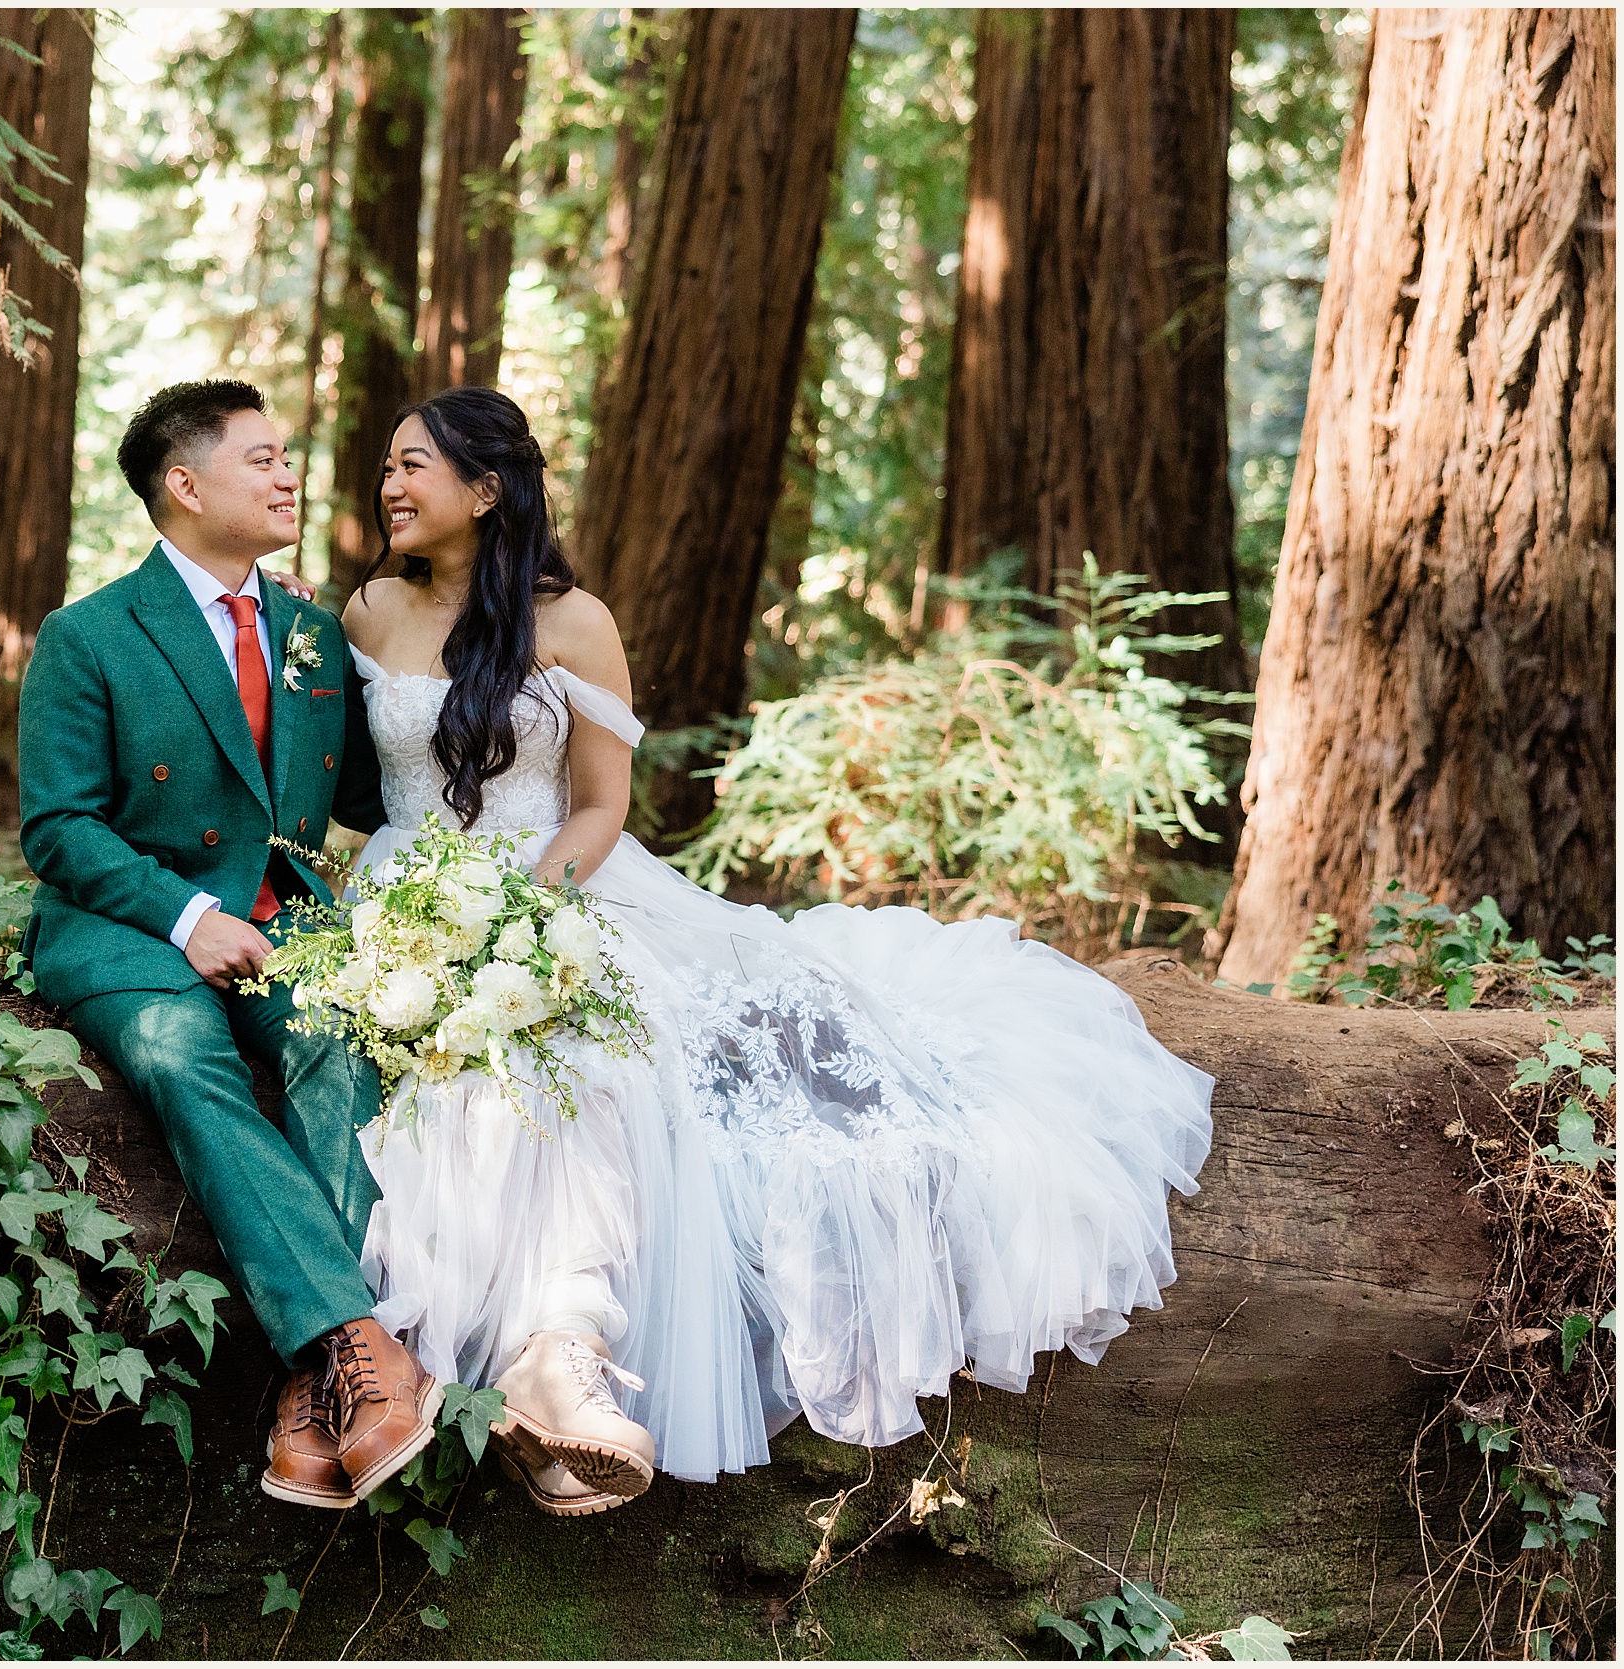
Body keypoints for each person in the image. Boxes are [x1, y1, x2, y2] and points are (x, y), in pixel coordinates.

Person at [329, 386, 1218, 1512]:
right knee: (461, 1092)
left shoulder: (574, 624)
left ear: (487, 489)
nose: (390, 486)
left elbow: (600, 806)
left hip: (551, 888)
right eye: (388, 467)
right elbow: (353, 796)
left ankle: (563, 1353)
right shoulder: (363, 612)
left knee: (592, 1063)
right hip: (403, 905)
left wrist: (522, 917)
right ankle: (546, 1374)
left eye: (414, 465)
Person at [16, 379, 440, 1512]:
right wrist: (187, 918)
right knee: (180, 1055)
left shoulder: (307, 629)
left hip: (286, 919)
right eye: (261, 458)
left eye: (288, 454)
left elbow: (359, 789)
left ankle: (318, 1393)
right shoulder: (89, 633)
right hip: (131, 928)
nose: (289, 474)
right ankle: (354, 1341)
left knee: (335, 1048)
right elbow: (56, 824)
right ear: (184, 484)